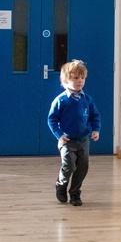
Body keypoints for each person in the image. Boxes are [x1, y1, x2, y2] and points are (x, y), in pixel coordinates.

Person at [47, 59, 102, 207]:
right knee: (69, 165)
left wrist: (95, 130)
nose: (80, 81)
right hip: (67, 140)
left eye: (82, 78)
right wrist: (59, 135)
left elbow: (94, 116)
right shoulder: (61, 100)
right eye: (75, 78)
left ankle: (75, 193)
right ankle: (61, 184)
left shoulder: (87, 99)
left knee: (83, 167)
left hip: (83, 139)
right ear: (65, 81)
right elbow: (52, 119)